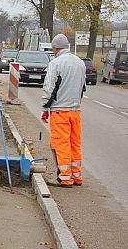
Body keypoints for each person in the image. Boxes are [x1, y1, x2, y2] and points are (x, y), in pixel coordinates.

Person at [41, 34, 86, 188]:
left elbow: (49, 88)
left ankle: (65, 177)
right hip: (75, 110)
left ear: (55, 47)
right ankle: (76, 175)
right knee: (75, 142)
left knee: (61, 143)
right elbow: (82, 88)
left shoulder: (56, 63)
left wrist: (45, 108)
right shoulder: (80, 63)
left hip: (60, 110)